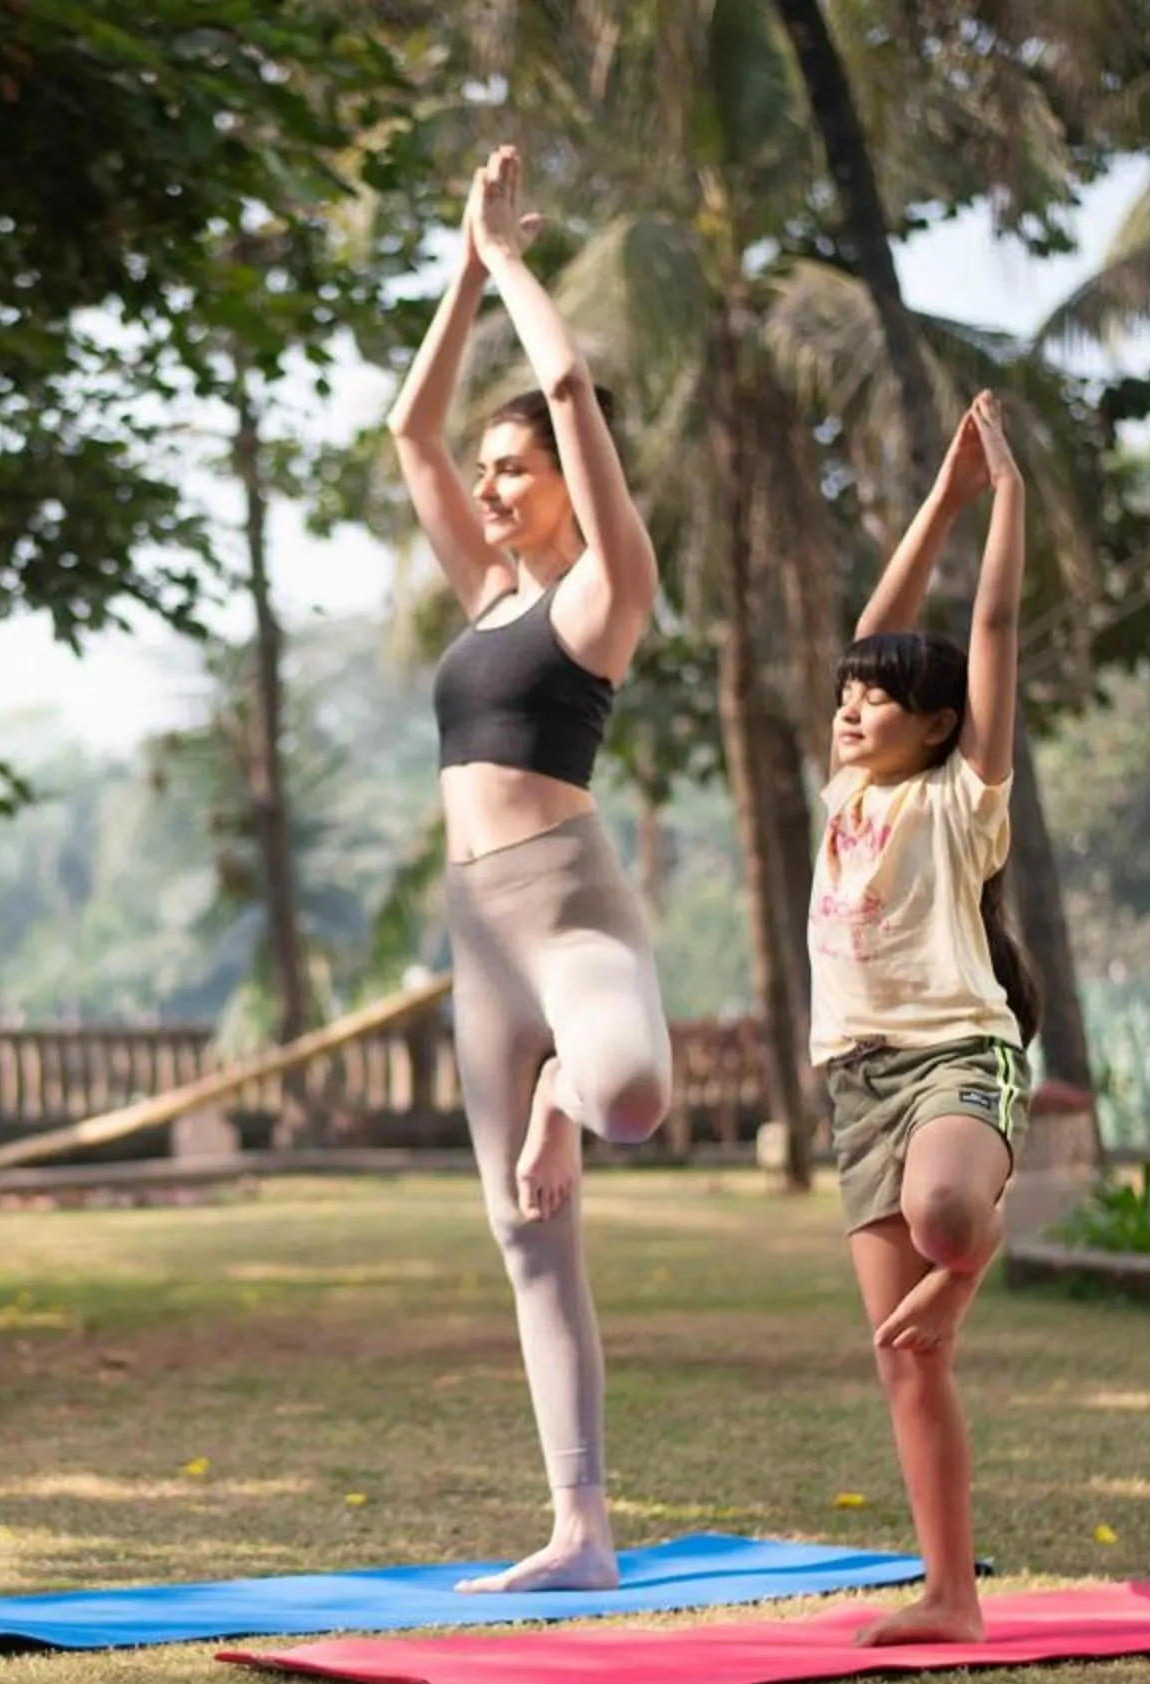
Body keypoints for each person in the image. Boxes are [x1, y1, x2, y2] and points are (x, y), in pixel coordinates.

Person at [386, 145, 673, 1593]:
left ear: (569, 481)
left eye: (515, 471)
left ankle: (565, 1091)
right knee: (527, 1240)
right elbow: (410, 429)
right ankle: (582, 1532)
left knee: (625, 1094)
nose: (490, 488)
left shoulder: (604, 591)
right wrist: (458, 267)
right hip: (478, 940)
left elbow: (564, 384)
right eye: (488, 472)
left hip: (568, 909)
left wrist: (511, 267)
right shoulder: (491, 592)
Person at [811, 390, 1042, 1646]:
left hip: (958, 1053)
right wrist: (939, 499)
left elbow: (989, 625)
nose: (853, 707)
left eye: (880, 698)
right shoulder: (846, 791)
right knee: (905, 1358)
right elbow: (876, 632)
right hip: (857, 1080)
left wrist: (1006, 498)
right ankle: (951, 1594)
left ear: (941, 723)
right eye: (846, 696)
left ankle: (969, 1265)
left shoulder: (962, 800)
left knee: (951, 1213)